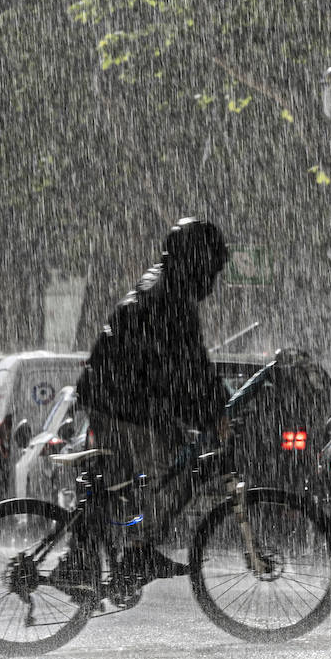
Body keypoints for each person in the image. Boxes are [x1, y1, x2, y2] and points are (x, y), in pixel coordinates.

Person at [74, 218, 232, 583]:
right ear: (197, 263)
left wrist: (202, 406)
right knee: (180, 466)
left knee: (122, 480)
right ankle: (136, 551)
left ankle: (91, 553)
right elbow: (187, 367)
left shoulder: (164, 289)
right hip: (120, 401)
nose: (213, 280)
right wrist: (213, 410)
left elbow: (180, 368)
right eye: (212, 269)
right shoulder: (170, 299)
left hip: (114, 396)